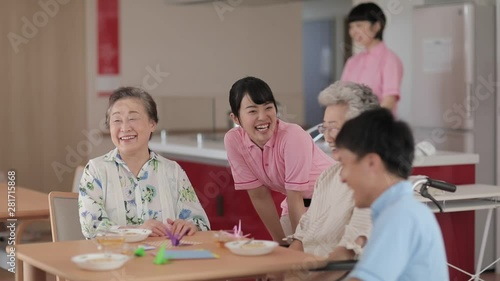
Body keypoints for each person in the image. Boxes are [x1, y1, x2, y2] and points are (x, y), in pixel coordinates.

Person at [79, 87, 210, 239]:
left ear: (152, 124)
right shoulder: (95, 170)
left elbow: (200, 222)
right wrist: (138, 230)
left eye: (133, 118)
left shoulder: (172, 170)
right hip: (116, 259)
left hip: (165, 259)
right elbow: (92, 228)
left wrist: (190, 225)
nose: (125, 127)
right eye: (116, 120)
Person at [279, 81, 377, 281]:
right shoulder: (328, 175)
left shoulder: (373, 184)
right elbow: (302, 235)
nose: (328, 137)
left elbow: (347, 256)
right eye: (325, 128)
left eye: (334, 128)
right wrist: (285, 272)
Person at [335, 108, 448, 281]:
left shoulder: (400, 215)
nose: (342, 177)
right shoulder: (400, 211)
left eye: (344, 163)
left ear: (372, 162)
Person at [224, 76, 334, 242]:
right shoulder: (234, 141)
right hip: (295, 206)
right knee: (279, 260)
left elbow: (295, 195)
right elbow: (259, 196)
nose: (263, 117)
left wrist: (297, 246)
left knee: (308, 263)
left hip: (334, 203)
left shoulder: (292, 136)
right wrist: (281, 244)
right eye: (252, 111)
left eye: (268, 107)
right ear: (236, 118)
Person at [341, 2, 403, 112]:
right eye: (351, 26)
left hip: (378, 126)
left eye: (359, 25)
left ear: (376, 26)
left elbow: (388, 101)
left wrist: (371, 125)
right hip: (353, 125)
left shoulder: (389, 60)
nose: (353, 32)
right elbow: (343, 95)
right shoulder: (352, 61)